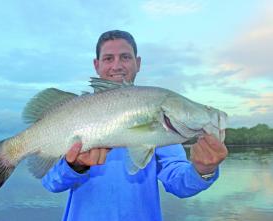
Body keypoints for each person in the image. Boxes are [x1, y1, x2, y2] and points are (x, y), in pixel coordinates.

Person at [42, 30, 228, 221]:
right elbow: (51, 183)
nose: (117, 65)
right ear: (96, 65)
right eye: (108, 58)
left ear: (137, 63)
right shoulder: (71, 115)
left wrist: (204, 171)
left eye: (125, 57)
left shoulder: (166, 128)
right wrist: (76, 165)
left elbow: (179, 183)